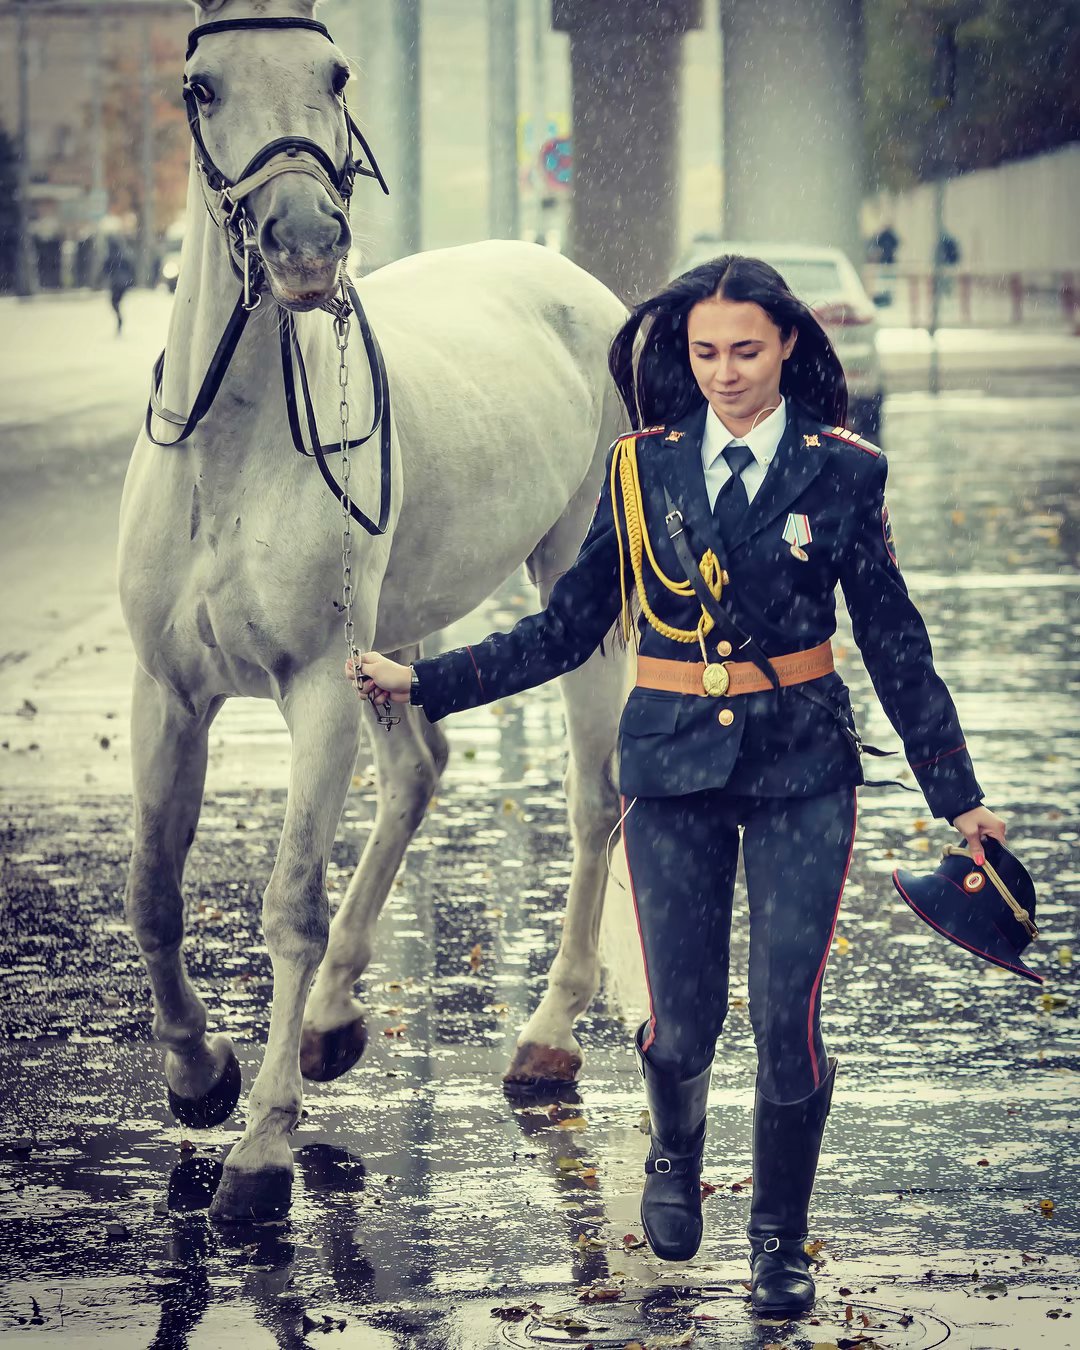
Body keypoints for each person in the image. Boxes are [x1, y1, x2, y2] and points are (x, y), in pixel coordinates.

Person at [346, 256, 1005, 1314]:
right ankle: (671, 1157)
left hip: (803, 770)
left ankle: (780, 1241)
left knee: (788, 1018)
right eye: (705, 354)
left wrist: (957, 795)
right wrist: (427, 681)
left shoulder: (844, 471)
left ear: (788, 343)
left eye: (746, 350)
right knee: (682, 1024)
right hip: (671, 769)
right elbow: (565, 628)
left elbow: (895, 642)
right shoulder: (640, 469)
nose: (726, 374)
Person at [101, 235, 135, 334]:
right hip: (123, 283)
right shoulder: (124, 255)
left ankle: (119, 319)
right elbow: (131, 269)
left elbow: (105, 270)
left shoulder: (111, 256)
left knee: (114, 302)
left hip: (117, 283)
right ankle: (119, 319)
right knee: (115, 302)